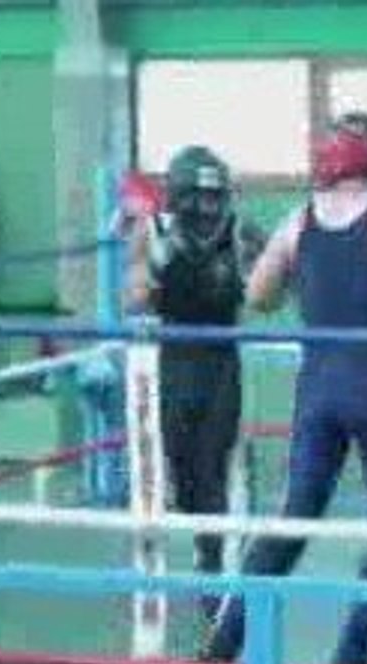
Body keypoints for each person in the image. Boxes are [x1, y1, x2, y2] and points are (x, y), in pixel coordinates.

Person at [200, 111, 367, 664]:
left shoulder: (297, 221)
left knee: (295, 517)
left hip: (316, 392)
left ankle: (222, 646)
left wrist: (308, 279)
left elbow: (257, 297)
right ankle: (352, 651)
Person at [120, 147, 267, 616]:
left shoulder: (241, 230)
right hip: (173, 357)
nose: (207, 207)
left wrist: (252, 276)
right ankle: (199, 534)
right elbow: (133, 300)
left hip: (221, 359)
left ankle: (211, 564)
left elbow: (271, 290)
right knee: (180, 464)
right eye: (198, 197)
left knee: (213, 464)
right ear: (180, 196)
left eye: (213, 197)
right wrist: (153, 269)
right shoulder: (152, 231)